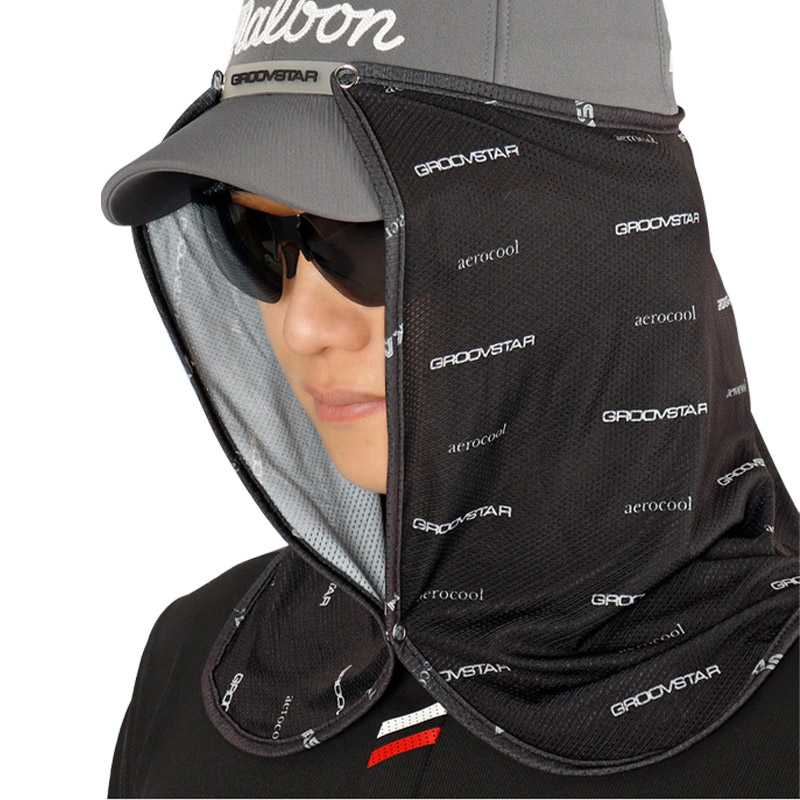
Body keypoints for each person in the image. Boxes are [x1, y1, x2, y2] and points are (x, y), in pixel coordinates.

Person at [101, 1, 799, 797]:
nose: (303, 327)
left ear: (595, 240)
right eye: (254, 236)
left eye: (372, 236)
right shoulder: (206, 672)